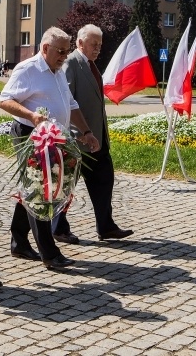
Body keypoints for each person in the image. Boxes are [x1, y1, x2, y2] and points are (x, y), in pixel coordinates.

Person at [0, 27, 100, 271]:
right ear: (45, 49)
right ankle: (49, 252)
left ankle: (19, 242)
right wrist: (32, 116)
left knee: (32, 188)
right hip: (30, 137)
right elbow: (5, 100)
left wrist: (86, 132)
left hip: (55, 138)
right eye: (61, 51)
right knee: (40, 192)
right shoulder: (28, 69)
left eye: (67, 51)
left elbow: (71, 104)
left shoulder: (57, 70)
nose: (65, 56)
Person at [55, 25, 133, 242]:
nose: (98, 48)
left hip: (97, 139)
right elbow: (66, 101)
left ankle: (106, 226)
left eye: (100, 44)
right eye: (94, 44)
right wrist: (75, 133)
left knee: (104, 180)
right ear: (80, 43)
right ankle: (58, 228)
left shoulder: (91, 66)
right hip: (78, 140)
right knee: (67, 185)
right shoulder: (71, 63)